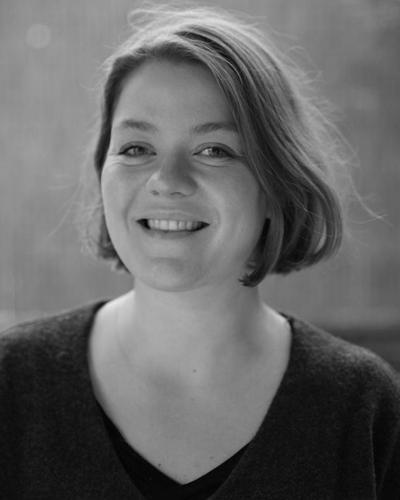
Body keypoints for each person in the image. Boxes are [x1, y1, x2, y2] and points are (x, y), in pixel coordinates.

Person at [1, 4, 399, 499]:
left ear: (277, 185)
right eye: (136, 148)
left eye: (214, 151)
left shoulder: (363, 407)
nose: (166, 180)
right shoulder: (13, 383)